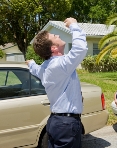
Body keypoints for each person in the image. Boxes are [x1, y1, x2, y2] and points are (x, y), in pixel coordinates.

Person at [26, 17, 88, 148]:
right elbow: (80, 49)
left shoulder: (45, 67)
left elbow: (36, 70)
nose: (58, 35)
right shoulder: (60, 65)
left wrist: (31, 64)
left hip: (55, 122)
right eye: (55, 36)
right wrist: (74, 26)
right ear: (54, 48)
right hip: (66, 124)